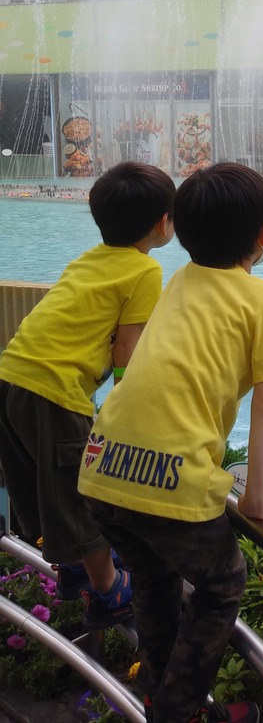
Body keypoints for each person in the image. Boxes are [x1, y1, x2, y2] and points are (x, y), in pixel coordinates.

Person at [78, 162, 263, 723]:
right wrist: (257, 500)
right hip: (171, 481)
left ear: (180, 231)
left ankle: (162, 692)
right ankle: (179, 711)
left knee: (155, 583)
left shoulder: (177, 280)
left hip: (101, 468)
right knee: (221, 583)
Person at [0, 161, 176, 629]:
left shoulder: (88, 258)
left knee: (44, 487)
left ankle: (74, 566)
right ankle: (109, 591)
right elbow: (128, 346)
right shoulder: (144, 271)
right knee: (79, 492)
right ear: (163, 222)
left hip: (11, 375)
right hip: (54, 392)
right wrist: (127, 406)